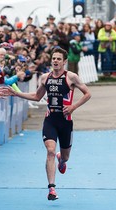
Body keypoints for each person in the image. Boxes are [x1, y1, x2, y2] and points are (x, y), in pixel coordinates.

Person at [8, 47, 91, 201]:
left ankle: (62, 159)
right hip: (50, 119)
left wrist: (73, 107)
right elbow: (36, 96)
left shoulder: (71, 77)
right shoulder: (45, 78)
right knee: (50, 151)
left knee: (65, 156)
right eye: (53, 58)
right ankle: (51, 188)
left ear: (64, 62)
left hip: (66, 122)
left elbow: (88, 94)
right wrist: (17, 93)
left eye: (59, 59)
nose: (55, 61)